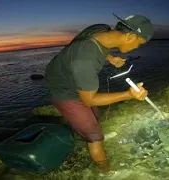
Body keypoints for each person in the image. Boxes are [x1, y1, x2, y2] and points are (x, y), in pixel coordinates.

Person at [44, 13, 154, 173]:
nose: (137, 47)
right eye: (139, 44)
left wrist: (109, 57)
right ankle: (106, 171)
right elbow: (88, 100)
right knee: (94, 136)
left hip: (66, 72)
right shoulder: (86, 58)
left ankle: (82, 127)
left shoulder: (101, 30)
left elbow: (86, 43)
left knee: (95, 115)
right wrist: (128, 95)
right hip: (62, 89)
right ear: (130, 36)